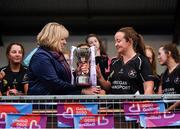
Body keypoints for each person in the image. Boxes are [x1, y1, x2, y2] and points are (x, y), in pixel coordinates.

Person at [28, 22, 100, 95]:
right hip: (45, 103)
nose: (65, 42)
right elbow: (54, 83)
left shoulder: (57, 55)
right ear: (52, 39)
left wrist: (76, 73)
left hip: (56, 101)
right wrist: (82, 91)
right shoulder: (41, 56)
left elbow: (63, 79)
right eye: (62, 39)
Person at [97, 27, 154, 94]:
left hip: (134, 104)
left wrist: (144, 102)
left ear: (129, 41)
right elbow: (109, 87)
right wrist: (100, 77)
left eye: (118, 41)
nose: (116, 44)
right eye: (115, 41)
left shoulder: (142, 61)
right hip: (115, 104)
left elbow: (148, 88)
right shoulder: (114, 62)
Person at [157, 43, 180, 112]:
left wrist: (169, 109)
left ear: (168, 53)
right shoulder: (163, 75)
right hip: (168, 117)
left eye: (159, 54)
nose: (158, 57)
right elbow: (159, 96)